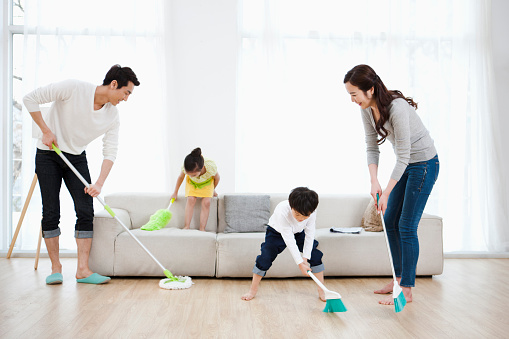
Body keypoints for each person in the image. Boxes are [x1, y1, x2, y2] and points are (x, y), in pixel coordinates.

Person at [23, 64, 140, 285]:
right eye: (126, 92)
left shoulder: (112, 116)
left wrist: (99, 183)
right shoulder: (73, 88)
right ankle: (56, 268)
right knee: (50, 210)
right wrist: (45, 130)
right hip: (48, 153)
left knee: (85, 210)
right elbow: (30, 98)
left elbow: (110, 151)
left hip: (76, 157)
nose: (126, 98)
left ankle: (83, 270)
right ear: (114, 84)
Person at [343, 64, 439, 305]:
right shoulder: (366, 109)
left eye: (354, 94)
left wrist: (386, 192)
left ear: (370, 90)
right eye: (350, 95)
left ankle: (406, 288)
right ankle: (398, 279)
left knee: (406, 226)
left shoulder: (397, 107)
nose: (352, 100)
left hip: (424, 164)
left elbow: (404, 155)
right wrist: (374, 182)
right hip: (407, 165)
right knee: (390, 221)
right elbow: (371, 146)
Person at [241, 187, 326, 302]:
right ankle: (252, 290)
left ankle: (322, 290)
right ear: (291, 205)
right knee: (265, 258)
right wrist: (300, 263)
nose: (301, 219)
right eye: (297, 214)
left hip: (298, 232)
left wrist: (305, 258)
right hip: (277, 232)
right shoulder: (282, 210)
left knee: (315, 255)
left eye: (305, 216)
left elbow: (310, 234)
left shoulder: (311, 211)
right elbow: (289, 239)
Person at [170, 148, 220, 231]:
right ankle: (186, 226)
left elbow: (217, 178)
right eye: (188, 174)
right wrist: (175, 192)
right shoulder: (186, 166)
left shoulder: (210, 166)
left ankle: (202, 228)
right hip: (192, 183)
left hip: (207, 183)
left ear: (201, 168)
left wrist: (212, 189)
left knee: (206, 202)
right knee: (191, 199)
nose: (190, 175)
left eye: (193, 175)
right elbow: (181, 177)